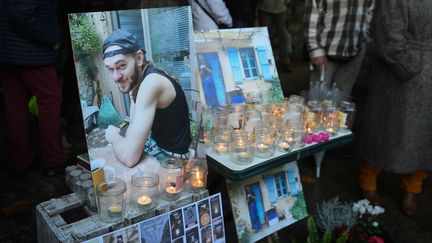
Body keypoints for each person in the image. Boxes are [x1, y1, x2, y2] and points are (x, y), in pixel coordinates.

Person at [357, 0, 431, 216]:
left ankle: (412, 188)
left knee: (425, 138)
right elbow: (388, 37)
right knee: (383, 132)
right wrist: (410, 68)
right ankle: (368, 181)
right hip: (400, 80)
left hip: (427, 77)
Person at [103, 29, 191, 168]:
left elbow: (129, 158)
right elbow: (132, 125)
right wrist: (126, 144)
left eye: (122, 66)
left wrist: (114, 137)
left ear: (138, 58)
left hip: (173, 158)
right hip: (157, 144)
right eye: (110, 69)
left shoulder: (151, 83)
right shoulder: (137, 81)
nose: (116, 77)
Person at [0, 0, 66, 176]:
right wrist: (53, 39)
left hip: (7, 50)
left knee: (15, 106)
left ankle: (21, 161)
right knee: (50, 101)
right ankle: (53, 160)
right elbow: (21, 12)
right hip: (33, 51)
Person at [304, 0, 375, 94]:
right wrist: (315, 50)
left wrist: (364, 39)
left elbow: (370, 10)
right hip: (325, 53)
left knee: (342, 100)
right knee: (318, 100)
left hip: (355, 51)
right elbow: (311, 15)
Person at [257, 0, 292, 71]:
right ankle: (264, 61)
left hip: (280, 7)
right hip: (264, 7)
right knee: (264, 35)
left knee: (282, 35)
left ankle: (285, 61)